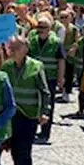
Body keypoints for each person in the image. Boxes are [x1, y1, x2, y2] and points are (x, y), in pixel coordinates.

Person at [1, 34, 50, 165]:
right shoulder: (6, 66)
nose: (12, 51)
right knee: (13, 149)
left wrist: (44, 112)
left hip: (28, 115)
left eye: (15, 48)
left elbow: (45, 92)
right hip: (11, 115)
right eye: (10, 48)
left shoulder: (36, 67)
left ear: (25, 49)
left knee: (24, 150)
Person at [27, 13, 64, 142]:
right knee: (35, 103)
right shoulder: (32, 41)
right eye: (38, 26)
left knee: (48, 105)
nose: (40, 29)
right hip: (34, 77)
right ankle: (33, 129)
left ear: (49, 29)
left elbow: (61, 61)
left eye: (43, 27)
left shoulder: (56, 42)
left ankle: (45, 132)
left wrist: (61, 78)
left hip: (50, 78)